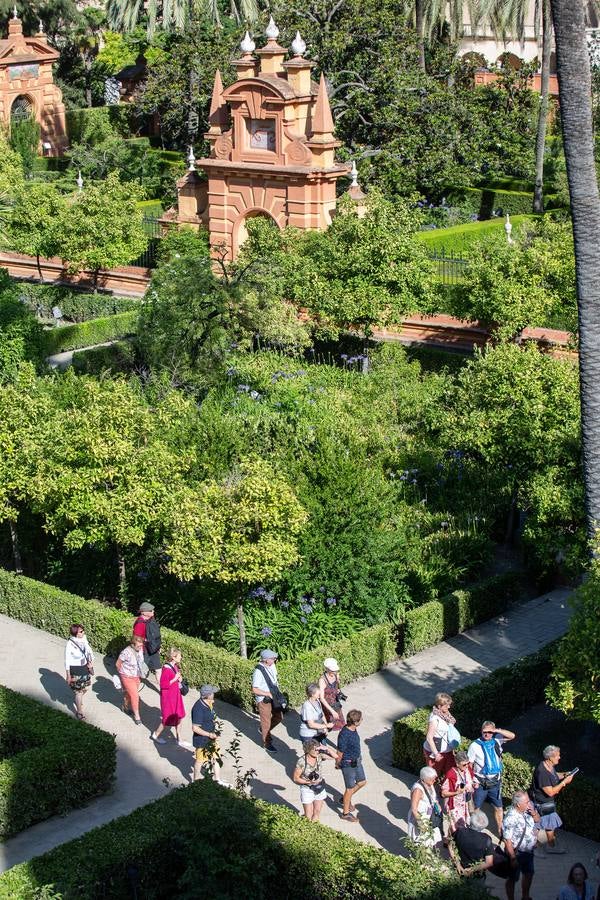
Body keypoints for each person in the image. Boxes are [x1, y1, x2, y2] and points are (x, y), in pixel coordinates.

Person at [468, 719, 515, 835]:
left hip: (495, 783)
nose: (487, 734)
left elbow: (512, 736)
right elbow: (469, 765)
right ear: (481, 731)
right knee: (476, 808)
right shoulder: (474, 745)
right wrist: (472, 780)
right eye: (485, 731)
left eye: (490, 732)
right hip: (480, 783)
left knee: (499, 807)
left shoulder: (497, 740)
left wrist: (496, 730)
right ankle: (474, 830)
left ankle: (500, 831)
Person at [530, 744, 574, 854]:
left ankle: (549, 845)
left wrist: (564, 774)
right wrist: (564, 782)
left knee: (548, 825)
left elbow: (554, 775)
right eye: (557, 756)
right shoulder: (542, 772)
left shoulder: (548, 766)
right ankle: (535, 847)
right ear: (550, 757)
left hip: (546, 803)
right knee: (540, 826)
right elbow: (550, 792)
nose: (559, 757)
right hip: (542, 803)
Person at [503, 790, 541, 900]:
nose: (529, 804)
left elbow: (538, 820)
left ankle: (525, 896)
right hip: (517, 853)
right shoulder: (510, 817)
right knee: (512, 878)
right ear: (518, 804)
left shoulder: (527, 810)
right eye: (527, 802)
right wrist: (513, 858)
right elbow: (507, 840)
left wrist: (533, 812)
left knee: (529, 874)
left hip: (529, 851)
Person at [150, 647, 191, 748]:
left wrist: (179, 680)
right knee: (166, 719)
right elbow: (163, 685)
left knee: (179, 716)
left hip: (176, 696)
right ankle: (155, 734)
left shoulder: (175, 667)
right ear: (173, 657)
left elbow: (175, 680)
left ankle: (179, 739)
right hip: (168, 699)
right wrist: (174, 679)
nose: (181, 657)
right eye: (179, 656)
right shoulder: (166, 669)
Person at [191, 684, 229, 786]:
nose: (214, 694)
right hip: (202, 740)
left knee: (216, 757)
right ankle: (195, 780)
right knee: (200, 761)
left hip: (211, 737)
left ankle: (217, 780)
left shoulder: (209, 703)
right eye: (212, 693)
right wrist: (209, 734)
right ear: (208, 695)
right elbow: (195, 728)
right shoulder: (198, 708)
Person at [293, 738, 338, 822]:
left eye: (318, 749)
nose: (317, 751)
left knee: (317, 812)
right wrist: (309, 782)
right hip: (307, 789)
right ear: (308, 750)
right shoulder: (301, 761)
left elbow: (336, 756)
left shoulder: (319, 756)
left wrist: (326, 748)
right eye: (315, 749)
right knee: (308, 816)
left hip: (319, 787)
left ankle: (315, 827)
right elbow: (296, 778)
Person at [337, 709, 367, 823]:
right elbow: (340, 751)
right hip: (348, 763)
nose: (362, 720)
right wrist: (338, 762)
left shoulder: (353, 729)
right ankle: (345, 813)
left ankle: (345, 799)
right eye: (361, 719)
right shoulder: (344, 734)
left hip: (357, 761)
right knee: (349, 789)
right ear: (356, 722)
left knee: (362, 782)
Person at [252, 648, 285, 753]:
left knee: (279, 717)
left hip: (274, 697)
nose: (275, 660)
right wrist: (267, 693)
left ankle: (263, 730)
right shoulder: (258, 671)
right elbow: (254, 689)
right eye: (273, 658)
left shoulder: (272, 665)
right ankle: (267, 743)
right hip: (264, 700)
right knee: (266, 722)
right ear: (266, 660)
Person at [423, 692, 460, 776]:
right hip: (437, 753)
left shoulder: (445, 715)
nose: (449, 707)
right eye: (446, 705)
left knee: (450, 773)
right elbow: (429, 737)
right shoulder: (435, 718)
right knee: (433, 776)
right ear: (439, 706)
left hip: (448, 751)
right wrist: (436, 754)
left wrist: (452, 749)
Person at [407, 765, 444, 849]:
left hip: (429, 817)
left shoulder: (429, 784)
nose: (435, 780)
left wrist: (437, 804)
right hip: (421, 818)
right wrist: (421, 824)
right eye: (432, 779)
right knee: (422, 842)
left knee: (429, 841)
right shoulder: (417, 790)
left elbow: (433, 798)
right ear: (424, 778)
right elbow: (414, 809)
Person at [64, 623, 94, 720]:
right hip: (75, 669)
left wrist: (91, 661)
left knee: (85, 687)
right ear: (75, 633)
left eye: (83, 630)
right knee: (79, 692)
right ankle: (79, 711)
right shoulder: (70, 644)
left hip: (85, 667)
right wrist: (68, 675)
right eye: (81, 631)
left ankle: (78, 698)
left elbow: (88, 651)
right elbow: (67, 660)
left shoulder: (83, 638)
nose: (83, 632)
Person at [442, 749, 476, 832]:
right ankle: (450, 842)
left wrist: (473, 784)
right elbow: (443, 793)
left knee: (462, 826)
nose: (467, 766)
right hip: (455, 806)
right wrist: (457, 792)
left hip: (466, 804)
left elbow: (471, 781)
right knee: (456, 829)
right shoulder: (451, 774)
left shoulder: (468, 771)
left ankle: (448, 841)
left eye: (468, 763)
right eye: (464, 764)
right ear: (457, 764)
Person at [453, 810, 495, 877]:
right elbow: (489, 862)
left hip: (458, 870)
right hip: (477, 874)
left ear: (471, 821)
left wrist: (457, 863)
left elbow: (450, 844)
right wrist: (471, 870)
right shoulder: (487, 839)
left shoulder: (460, 832)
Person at [116, 634, 145, 724]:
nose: (141, 646)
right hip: (127, 677)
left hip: (136, 676)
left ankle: (125, 706)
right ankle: (137, 716)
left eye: (142, 644)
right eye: (139, 644)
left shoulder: (140, 650)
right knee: (135, 696)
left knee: (130, 694)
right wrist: (122, 677)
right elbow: (118, 664)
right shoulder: (126, 652)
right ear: (133, 644)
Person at [133, 601, 162, 683]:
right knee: (140, 671)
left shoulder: (151, 620)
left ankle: (163, 691)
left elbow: (155, 635)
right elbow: (136, 640)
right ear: (144, 612)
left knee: (158, 670)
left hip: (152, 649)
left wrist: (157, 647)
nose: (153, 612)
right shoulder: (140, 624)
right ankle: (132, 688)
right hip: (144, 651)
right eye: (151, 610)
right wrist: (138, 652)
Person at [319, 657, 345, 733]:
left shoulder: (336, 675)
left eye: (336, 670)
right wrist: (332, 711)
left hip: (336, 703)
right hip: (327, 706)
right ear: (327, 669)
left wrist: (338, 686)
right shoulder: (322, 680)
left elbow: (337, 687)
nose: (335, 672)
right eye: (333, 670)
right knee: (329, 725)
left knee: (341, 724)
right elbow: (322, 698)